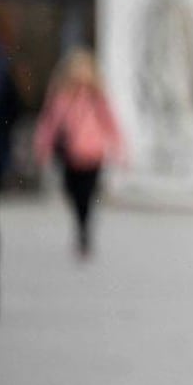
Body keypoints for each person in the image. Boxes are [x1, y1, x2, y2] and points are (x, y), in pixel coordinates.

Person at [33, 48, 123, 258]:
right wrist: (43, 147)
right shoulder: (61, 97)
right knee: (72, 191)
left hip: (93, 153)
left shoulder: (97, 98)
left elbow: (112, 124)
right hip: (70, 154)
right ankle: (80, 224)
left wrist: (118, 148)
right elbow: (50, 125)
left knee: (87, 194)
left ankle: (84, 232)